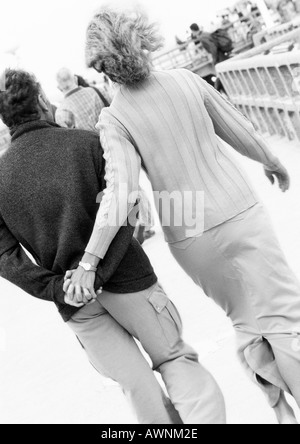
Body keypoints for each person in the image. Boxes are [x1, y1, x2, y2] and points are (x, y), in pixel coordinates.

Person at [66, 9, 300, 425]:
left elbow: (120, 192)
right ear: (142, 39)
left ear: (101, 65)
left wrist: (90, 259)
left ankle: (279, 407)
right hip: (237, 205)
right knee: (284, 314)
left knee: (245, 320)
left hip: (187, 227)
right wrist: (271, 160)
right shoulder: (187, 81)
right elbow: (239, 129)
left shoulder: (114, 117)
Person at [0, 69, 226, 425]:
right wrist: (97, 271)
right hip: (129, 279)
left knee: (137, 388)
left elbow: (5, 258)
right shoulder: (86, 143)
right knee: (173, 359)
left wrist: (59, 287)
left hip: (75, 302)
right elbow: (127, 209)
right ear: (43, 99)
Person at [55, 68, 106, 132]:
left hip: (91, 142)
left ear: (59, 88)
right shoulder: (98, 91)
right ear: (75, 79)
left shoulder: (61, 112)